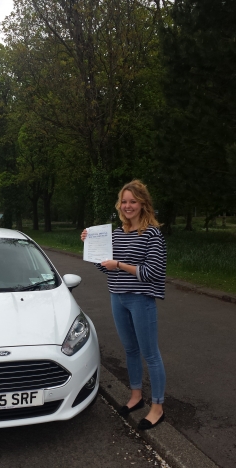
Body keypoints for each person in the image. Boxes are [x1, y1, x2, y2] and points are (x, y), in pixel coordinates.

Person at [81, 179, 167, 430]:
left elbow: (154, 271)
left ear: (143, 204)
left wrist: (119, 265)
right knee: (130, 350)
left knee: (150, 354)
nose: (128, 206)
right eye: (124, 201)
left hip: (140, 299)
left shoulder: (152, 234)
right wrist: (90, 244)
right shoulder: (117, 234)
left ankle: (158, 407)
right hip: (116, 297)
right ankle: (136, 396)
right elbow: (103, 265)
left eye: (133, 201)